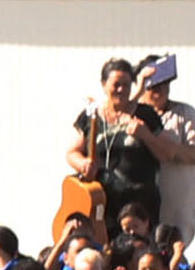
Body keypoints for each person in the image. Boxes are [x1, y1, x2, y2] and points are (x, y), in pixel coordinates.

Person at [67, 58, 166, 240]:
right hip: (102, 205)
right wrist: (82, 164)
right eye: (116, 84)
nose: (121, 90)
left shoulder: (146, 115)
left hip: (139, 208)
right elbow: (73, 152)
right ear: (104, 85)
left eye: (126, 85)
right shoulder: (91, 116)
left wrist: (146, 135)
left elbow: (165, 153)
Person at [133, 54, 195, 241]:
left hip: (176, 202)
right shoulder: (131, 114)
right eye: (153, 85)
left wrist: (160, 144)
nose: (160, 90)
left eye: (164, 84)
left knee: (171, 243)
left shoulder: (184, 113)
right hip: (139, 199)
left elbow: (194, 153)